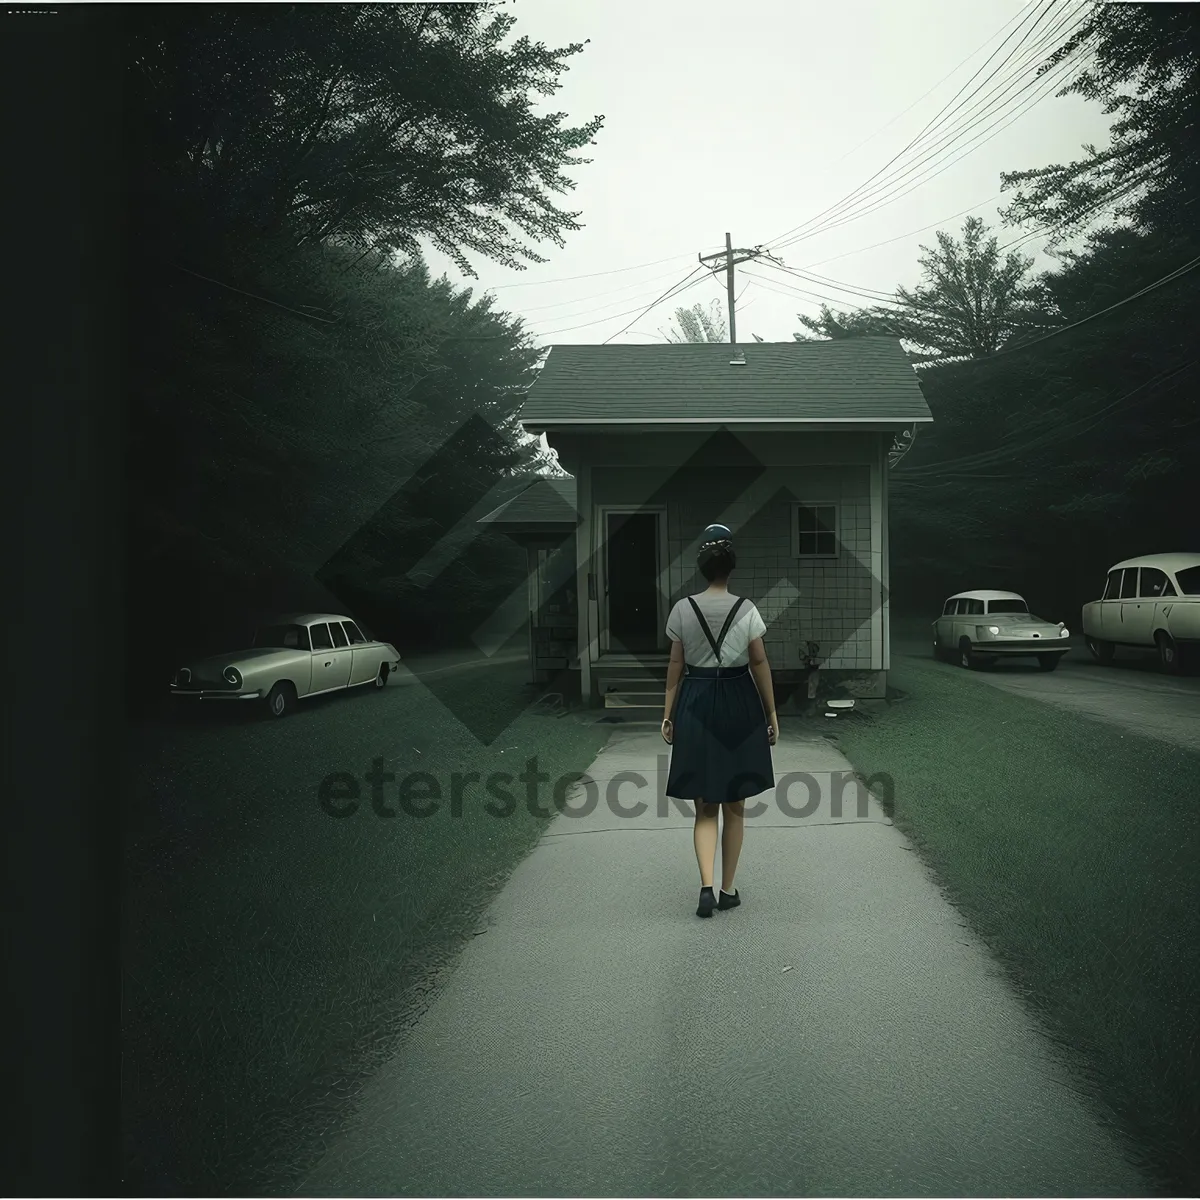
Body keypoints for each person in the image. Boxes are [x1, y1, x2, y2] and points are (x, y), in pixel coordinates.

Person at [661, 524, 778, 918]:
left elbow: (676, 665)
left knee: (705, 806)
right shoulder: (747, 609)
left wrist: (668, 715)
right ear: (731, 568)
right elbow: (759, 662)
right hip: (739, 701)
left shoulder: (682, 609)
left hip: (695, 700)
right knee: (736, 805)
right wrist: (772, 713)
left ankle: (706, 887)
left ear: (702, 567)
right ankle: (728, 889)